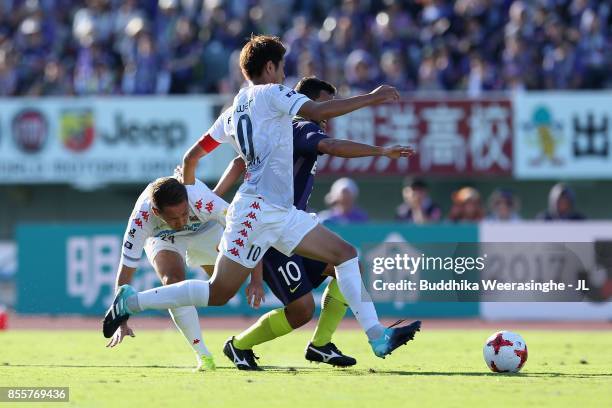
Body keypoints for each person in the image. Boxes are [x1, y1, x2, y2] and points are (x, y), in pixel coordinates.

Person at [103, 35, 421, 370]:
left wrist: (193, 188)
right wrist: (371, 99)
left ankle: (376, 336)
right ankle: (132, 301)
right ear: (269, 67)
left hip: (275, 211)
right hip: (259, 211)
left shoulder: (232, 111)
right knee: (219, 292)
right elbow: (316, 110)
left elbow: (191, 155)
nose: (285, 76)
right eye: (282, 68)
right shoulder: (271, 93)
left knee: (345, 255)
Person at [212, 76, 415, 369]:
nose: (330, 114)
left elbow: (241, 163)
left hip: (289, 228)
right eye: (327, 104)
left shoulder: (282, 131)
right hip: (273, 233)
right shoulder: (299, 126)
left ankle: (321, 345)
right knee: (302, 309)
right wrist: (381, 151)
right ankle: (239, 345)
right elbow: (331, 145)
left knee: (345, 264)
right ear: (310, 104)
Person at [105, 176, 229, 371]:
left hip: (206, 230)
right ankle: (203, 355)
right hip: (165, 237)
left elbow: (243, 227)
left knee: (225, 287)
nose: (180, 221)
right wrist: (121, 318)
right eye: (173, 217)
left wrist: (256, 279)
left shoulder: (202, 199)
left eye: (184, 214)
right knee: (172, 282)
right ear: (156, 211)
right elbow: (126, 268)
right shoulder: (141, 218)